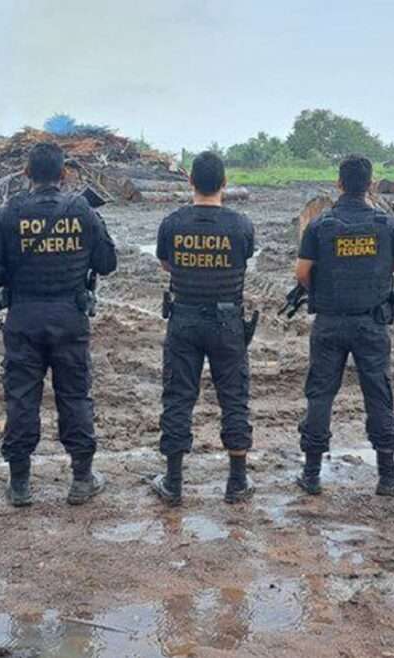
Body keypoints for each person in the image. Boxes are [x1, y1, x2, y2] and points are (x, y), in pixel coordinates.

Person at [0, 143, 117, 507]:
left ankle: (20, 484)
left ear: (27, 173)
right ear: (64, 174)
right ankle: (82, 480)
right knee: (75, 396)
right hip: (70, 318)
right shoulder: (82, 210)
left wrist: (17, 274)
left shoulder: (8, 213)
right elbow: (106, 262)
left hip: (24, 318)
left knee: (21, 399)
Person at [294, 155, 394, 497]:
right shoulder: (385, 222)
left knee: (320, 395)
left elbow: (302, 274)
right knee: (379, 394)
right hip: (371, 324)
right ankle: (387, 476)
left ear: (339, 184)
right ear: (371, 185)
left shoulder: (321, 225)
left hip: (329, 323)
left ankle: (312, 474)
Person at [151, 151, 257, 506]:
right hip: (227, 323)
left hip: (184, 319)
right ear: (225, 183)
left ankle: (174, 481)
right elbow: (243, 258)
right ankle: (237, 481)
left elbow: (166, 264)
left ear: (190, 182)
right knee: (234, 397)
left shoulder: (172, 222)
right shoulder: (241, 225)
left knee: (178, 397)